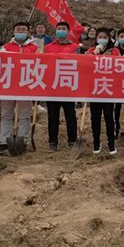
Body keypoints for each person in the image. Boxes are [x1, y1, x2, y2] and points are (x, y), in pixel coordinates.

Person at [0, 22, 38, 154]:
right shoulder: (6, 47)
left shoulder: (35, 48)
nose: (20, 32)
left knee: (24, 116)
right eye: (18, 29)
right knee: (6, 115)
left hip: (26, 86)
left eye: (23, 30)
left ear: (28, 32)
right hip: (8, 85)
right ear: (13, 32)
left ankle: (22, 142)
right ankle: (4, 142)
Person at [44, 22, 79, 152]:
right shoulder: (47, 47)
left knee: (70, 115)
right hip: (52, 86)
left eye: (64, 29)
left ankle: (72, 141)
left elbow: (80, 64)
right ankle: (52, 142)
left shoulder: (75, 47)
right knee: (52, 116)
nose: (61, 31)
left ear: (68, 31)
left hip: (68, 86)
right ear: (55, 31)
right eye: (59, 28)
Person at [87, 28, 120, 154]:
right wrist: (95, 54)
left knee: (109, 116)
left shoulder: (115, 51)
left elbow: (120, 66)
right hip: (94, 89)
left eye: (105, 37)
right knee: (95, 117)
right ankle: (96, 142)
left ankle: (111, 143)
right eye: (100, 37)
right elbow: (85, 65)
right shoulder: (91, 51)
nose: (102, 39)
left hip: (109, 88)